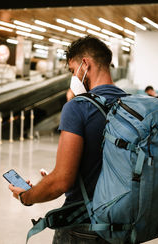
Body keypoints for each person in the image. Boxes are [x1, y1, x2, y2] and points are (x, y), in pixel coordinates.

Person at [9, 35, 126, 243]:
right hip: (123, 226)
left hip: (83, 228)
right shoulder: (129, 105)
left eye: (73, 70)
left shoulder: (79, 106)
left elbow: (61, 182)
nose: (73, 76)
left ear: (85, 64)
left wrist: (25, 196)